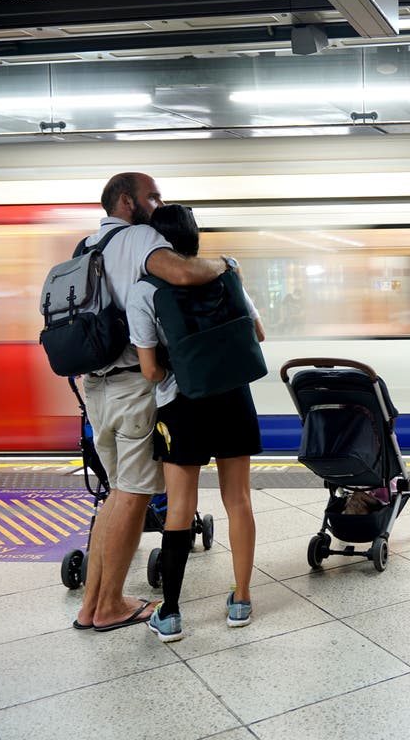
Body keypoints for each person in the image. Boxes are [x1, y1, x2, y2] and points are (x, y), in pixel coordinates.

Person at [73, 173, 229, 632]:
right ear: (126, 202)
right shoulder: (140, 235)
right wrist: (222, 264)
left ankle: (92, 605)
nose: (159, 205)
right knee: (133, 496)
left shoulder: (86, 245)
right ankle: (109, 607)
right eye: (152, 196)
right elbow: (182, 271)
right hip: (130, 384)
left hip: (96, 388)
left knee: (114, 495)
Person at [127, 204, 265, 642]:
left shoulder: (144, 290)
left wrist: (181, 366)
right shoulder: (227, 271)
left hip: (181, 405)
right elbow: (257, 334)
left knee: (180, 510)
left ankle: (170, 614)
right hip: (233, 398)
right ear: (195, 236)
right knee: (238, 500)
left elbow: (150, 371)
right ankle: (240, 600)